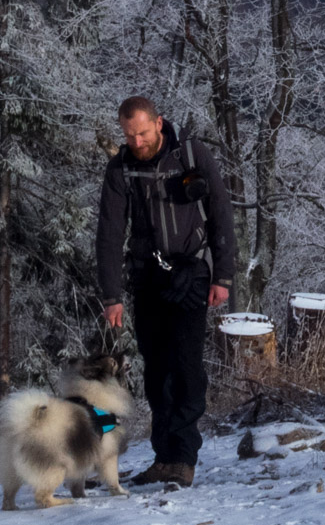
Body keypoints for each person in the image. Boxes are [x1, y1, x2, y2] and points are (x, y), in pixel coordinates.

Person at [96, 96, 235, 487]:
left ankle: (183, 458)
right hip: (146, 279)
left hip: (192, 275)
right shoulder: (120, 167)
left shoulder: (190, 154)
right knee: (156, 371)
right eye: (128, 135)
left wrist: (222, 276)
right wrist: (111, 295)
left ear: (159, 123)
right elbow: (108, 233)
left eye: (141, 132)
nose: (136, 142)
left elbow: (221, 210)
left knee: (187, 366)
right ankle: (163, 456)